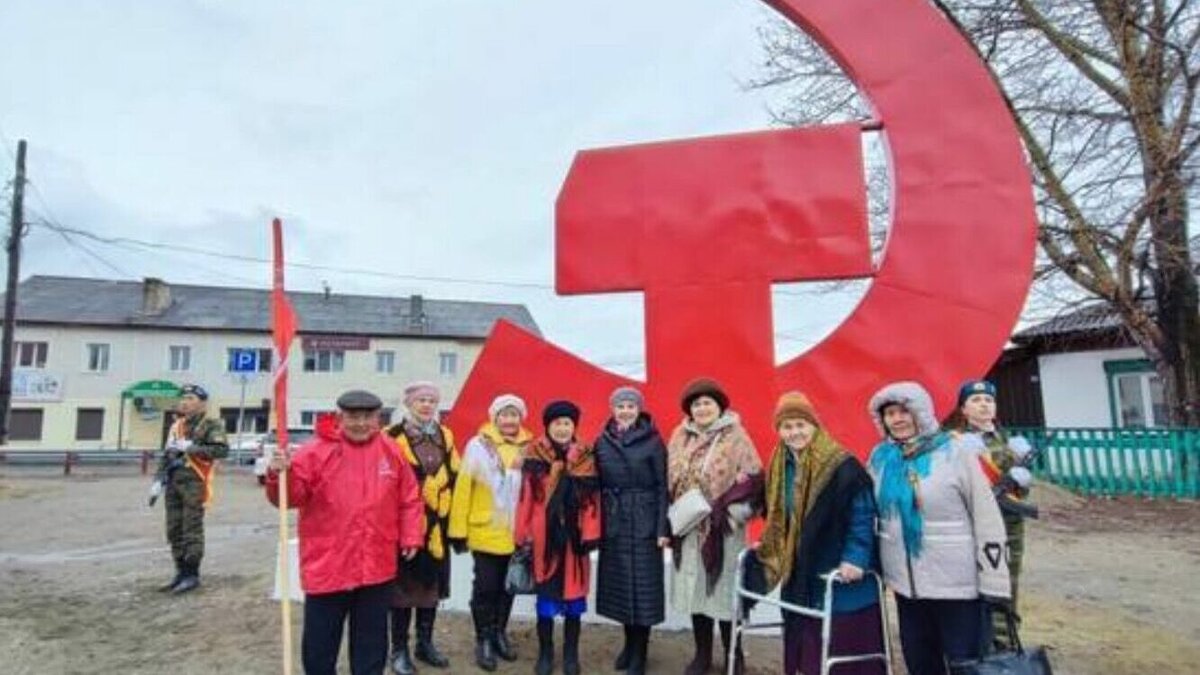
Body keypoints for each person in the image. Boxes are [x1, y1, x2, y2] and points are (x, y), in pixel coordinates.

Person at [266, 390, 424, 675]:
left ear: (378, 418)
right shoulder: (314, 451)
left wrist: (412, 534)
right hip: (328, 566)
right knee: (320, 645)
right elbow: (290, 498)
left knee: (371, 644)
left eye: (368, 417)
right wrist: (280, 475)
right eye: (353, 417)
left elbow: (410, 497)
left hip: (376, 567)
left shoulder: (391, 450)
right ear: (340, 417)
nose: (361, 423)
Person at [867, 381, 1010, 675]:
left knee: (965, 665)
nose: (898, 419)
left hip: (957, 588)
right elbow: (869, 513)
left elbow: (987, 517)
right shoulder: (881, 460)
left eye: (904, 411)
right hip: (908, 590)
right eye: (890, 413)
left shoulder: (954, 453)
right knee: (921, 664)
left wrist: (995, 581)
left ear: (921, 412)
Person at [754, 392, 884, 675]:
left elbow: (862, 514)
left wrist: (856, 558)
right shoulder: (780, 463)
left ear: (815, 425)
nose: (795, 433)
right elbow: (778, 513)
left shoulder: (843, 465)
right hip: (801, 569)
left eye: (801, 425)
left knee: (844, 644)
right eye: (787, 427)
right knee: (806, 641)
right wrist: (772, 542)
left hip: (839, 567)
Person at [667, 378, 764, 675]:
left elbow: (755, 481)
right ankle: (702, 655)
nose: (702, 408)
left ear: (719, 406)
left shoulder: (736, 436)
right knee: (697, 594)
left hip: (724, 532)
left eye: (707, 402)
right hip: (689, 529)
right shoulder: (679, 437)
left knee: (724, 595)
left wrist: (732, 517)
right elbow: (667, 478)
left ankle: (734, 655)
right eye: (696, 404)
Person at [515, 400, 601, 675]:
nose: (563, 429)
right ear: (548, 426)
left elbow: (592, 501)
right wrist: (522, 533)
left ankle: (571, 655)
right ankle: (545, 653)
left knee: (574, 600)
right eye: (557, 423)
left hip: (574, 540)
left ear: (574, 426)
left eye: (567, 423)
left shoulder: (586, 455)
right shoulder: (535, 453)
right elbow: (526, 497)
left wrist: (590, 534)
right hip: (544, 539)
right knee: (547, 598)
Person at [948, 379, 1036, 645]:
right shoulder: (956, 442)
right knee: (980, 586)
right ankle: (984, 644)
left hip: (1011, 523)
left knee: (1008, 583)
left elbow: (1020, 490)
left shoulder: (1010, 439)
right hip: (976, 524)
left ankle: (1008, 643)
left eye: (988, 400)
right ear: (964, 410)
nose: (983, 405)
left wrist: (1023, 481)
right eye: (975, 401)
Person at [448, 394, 532, 672]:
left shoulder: (530, 448)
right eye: (504, 415)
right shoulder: (478, 446)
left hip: (516, 531)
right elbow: (463, 489)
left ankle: (499, 633)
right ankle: (483, 638)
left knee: (508, 588)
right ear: (494, 417)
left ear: (521, 418)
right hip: (485, 530)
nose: (509, 420)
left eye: (514, 415)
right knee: (485, 587)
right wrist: (457, 530)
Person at [384, 382, 460, 674]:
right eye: (421, 400)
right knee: (403, 590)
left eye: (431, 400)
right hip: (405, 522)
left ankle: (425, 643)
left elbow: (456, 472)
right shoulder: (391, 436)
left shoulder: (446, 435)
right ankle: (399, 650)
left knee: (432, 587)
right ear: (409, 404)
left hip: (437, 523)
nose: (427, 405)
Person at [594, 386, 670, 675]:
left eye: (630, 406)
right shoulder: (602, 441)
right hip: (614, 522)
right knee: (623, 590)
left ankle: (641, 652)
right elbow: (592, 481)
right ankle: (628, 645)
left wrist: (663, 527)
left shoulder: (653, 441)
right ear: (613, 409)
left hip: (645, 522)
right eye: (620, 406)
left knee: (644, 591)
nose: (625, 410)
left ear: (639, 410)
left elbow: (663, 485)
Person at [156, 383, 228, 594]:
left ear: (202, 403)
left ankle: (191, 574)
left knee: (191, 529)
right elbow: (168, 453)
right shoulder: (177, 426)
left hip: (194, 483)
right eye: (183, 398)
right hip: (174, 481)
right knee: (174, 529)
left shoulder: (210, 424)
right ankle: (179, 572)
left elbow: (221, 450)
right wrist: (158, 478)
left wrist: (192, 448)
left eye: (190, 399)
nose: (185, 402)